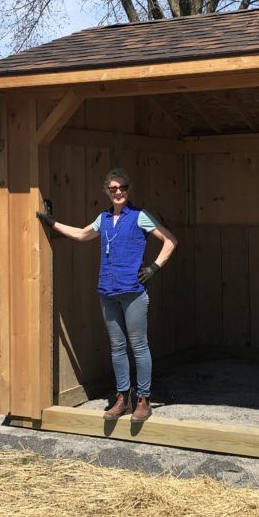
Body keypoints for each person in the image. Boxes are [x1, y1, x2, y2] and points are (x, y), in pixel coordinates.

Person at [36, 167, 177, 422]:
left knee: (139, 346)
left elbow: (170, 240)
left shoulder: (140, 216)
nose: (118, 192)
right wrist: (52, 223)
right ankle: (122, 398)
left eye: (123, 187)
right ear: (107, 192)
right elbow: (82, 234)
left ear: (128, 190)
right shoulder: (103, 218)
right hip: (108, 291)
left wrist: (154, 267)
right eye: (113, 189)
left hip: (133, 292)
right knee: (117, 347)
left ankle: (143, 400)